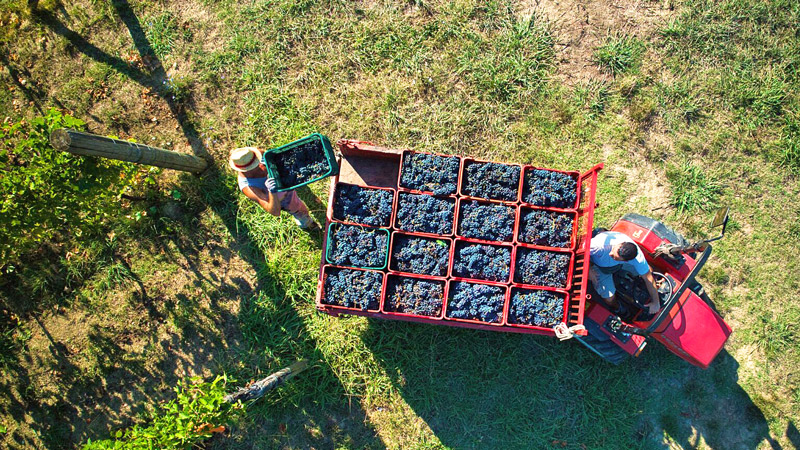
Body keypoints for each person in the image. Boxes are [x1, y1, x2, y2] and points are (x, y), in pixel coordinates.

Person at [229, 147, 318, 230]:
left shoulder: (256, 154)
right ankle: (307, 224)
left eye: (257, 161)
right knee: (300, 211)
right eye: (254, 165)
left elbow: (274, 156)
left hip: (286, 183)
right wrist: (272, 191)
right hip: (285, 199)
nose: (259, 164)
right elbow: (274, 211)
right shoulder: (249, 186)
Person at [589, 231, 661, 315]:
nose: (610, 253)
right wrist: (589, 270)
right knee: (609, 297)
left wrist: (656, 302)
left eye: (613, 257)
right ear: (621, 244)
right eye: (613, 251)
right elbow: (580, 252)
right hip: (597, 266)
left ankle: (656, 286)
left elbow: (648, 277)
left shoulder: (637, 258)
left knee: (649, 270)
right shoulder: (598, 246)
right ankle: (617, 308)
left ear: (626, 261)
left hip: (617, 265)